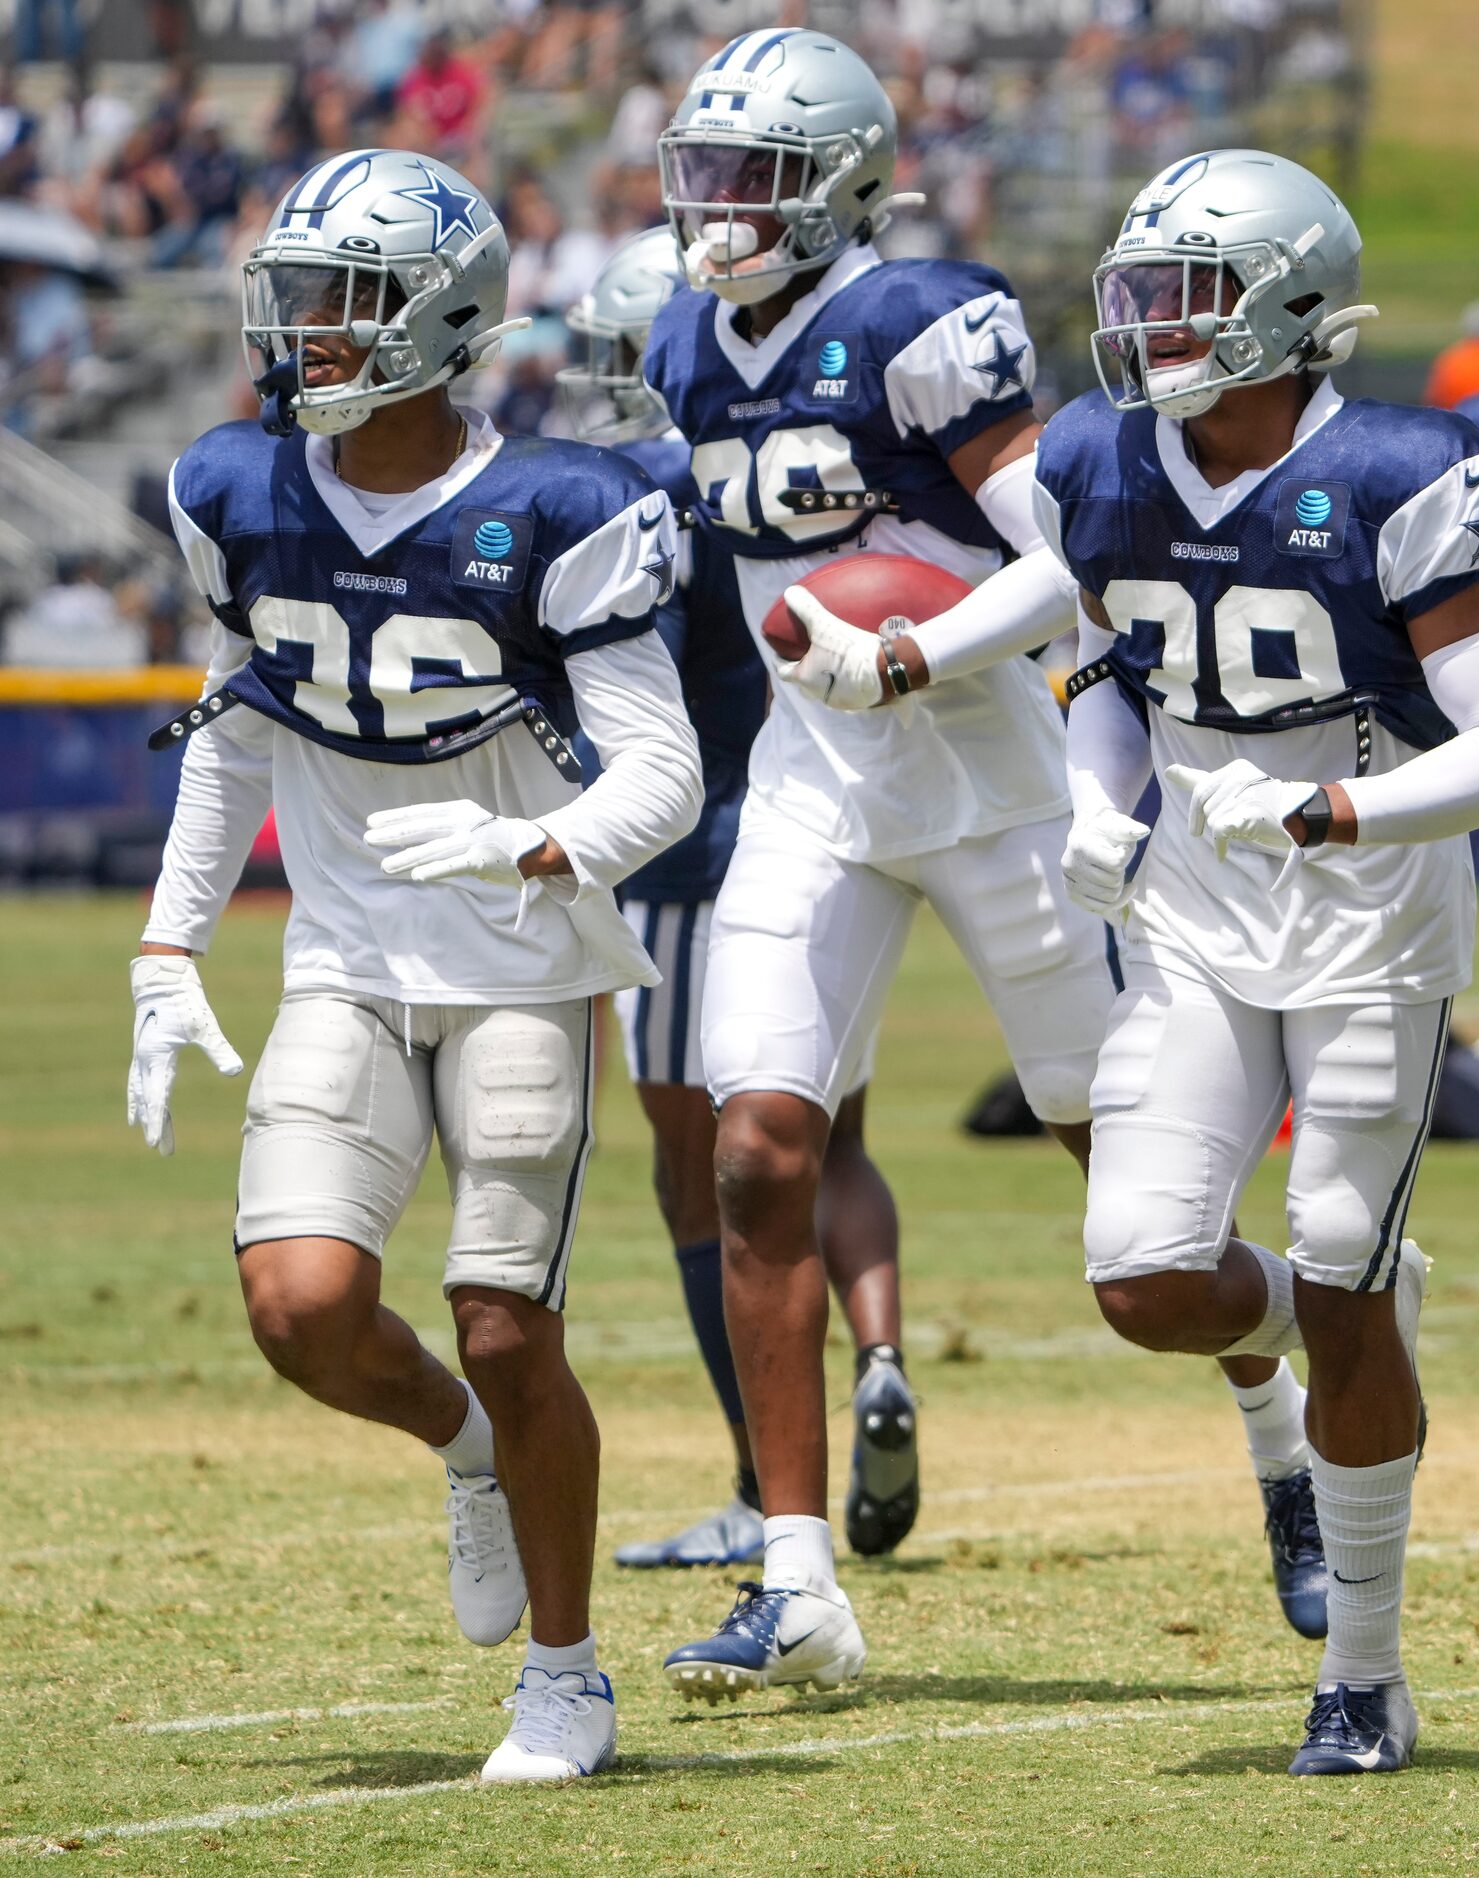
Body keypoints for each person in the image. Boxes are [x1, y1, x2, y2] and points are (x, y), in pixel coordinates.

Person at [127, 150, 699, 1783]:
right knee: (302, 1311)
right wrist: (171, 938)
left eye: (343, 299)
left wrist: (535, 847)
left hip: (520, 960)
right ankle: (462, 1453)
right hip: (348, 962)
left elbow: (663, 777)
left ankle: (568, 1676)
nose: (304, 327)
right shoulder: (238, 488)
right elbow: (238, 733)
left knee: (512, 1324)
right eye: (297, 294)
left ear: (438, 319)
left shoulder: (557, 510)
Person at [1037, 148, 1479, 1776]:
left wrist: (1333, 807)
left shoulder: (1402, 473)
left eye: (1188, 292)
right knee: (1141, 1277)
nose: (1153, 326)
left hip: (1366, 926)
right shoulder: (1099, 462)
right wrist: (1089, 799)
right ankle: (1348, 1309)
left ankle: (1366, 1670)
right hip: (1192, 906)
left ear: (1291, 306)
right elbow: (1105, 660)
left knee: (1331, 1252)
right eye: (1144, 291)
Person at [640, 29, 1113, 1701]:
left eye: (755, 176)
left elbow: (1073, 556)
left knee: (1131, 1198)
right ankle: (797, 1578)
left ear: (843, 184)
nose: (719, 207)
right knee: (758, 1152)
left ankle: (1281, 1423)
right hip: (810, 784)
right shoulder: (682, 338)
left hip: (993, 780)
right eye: (704, 170)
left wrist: (916, 655)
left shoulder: (924, 323)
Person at [558, 227, 913, 1570]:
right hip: (829, 837)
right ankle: (880, 1358)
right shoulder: (802, 467)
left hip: (688, 859)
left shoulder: (629, 489)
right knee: (836, 1148)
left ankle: (766, 1485)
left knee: (707, 1187)